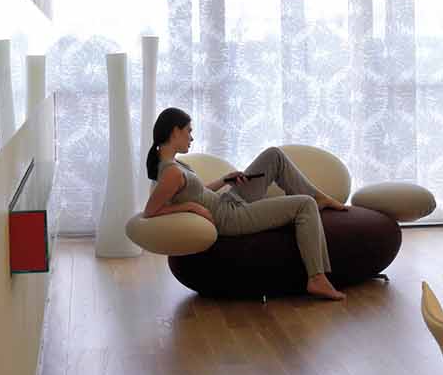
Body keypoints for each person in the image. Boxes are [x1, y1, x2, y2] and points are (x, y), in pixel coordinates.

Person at [143, 107, 348, 301]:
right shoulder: (171, 171)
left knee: (274, 155)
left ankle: (318, 197)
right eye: (189, 131)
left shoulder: (176, 164)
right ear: (175, 131)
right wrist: (191, 208)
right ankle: (316, 278)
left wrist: (225, 180)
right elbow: (150, 211)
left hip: (227, 201)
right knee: (305, 204)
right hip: (231, 218)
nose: (192, 137)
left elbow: (197, 192)